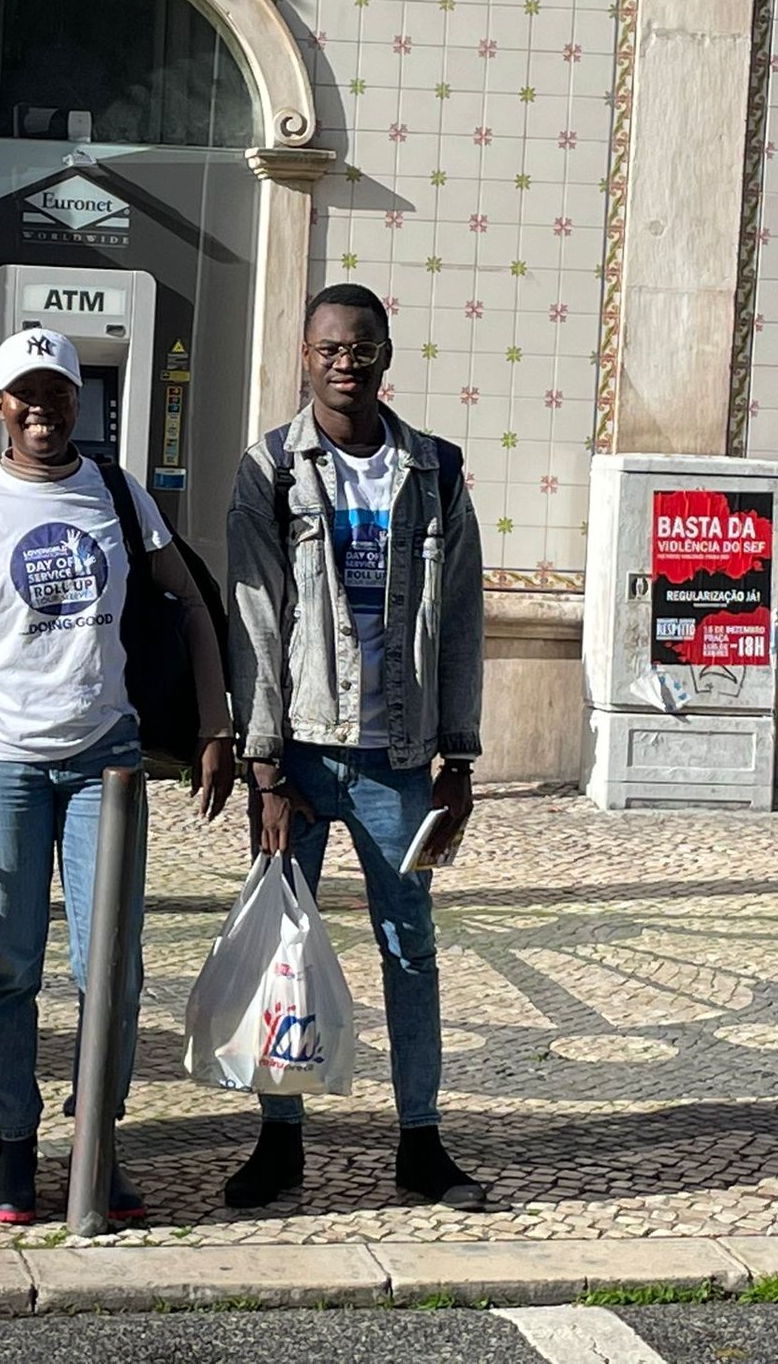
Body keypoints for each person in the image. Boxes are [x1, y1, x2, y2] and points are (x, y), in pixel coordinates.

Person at [0, 327, 235, 1225]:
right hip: (1, 760)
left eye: (57, 391)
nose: (42, 409)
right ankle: (13, 1146)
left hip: (108, 763)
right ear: (1, 406)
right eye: (26, 394)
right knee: (11, 964)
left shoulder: (119, 493)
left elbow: (193, 606)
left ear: (77, 399)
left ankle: (99, 1138)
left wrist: (214, 725)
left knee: (112, 967)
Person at [223, 282, 488, 1212]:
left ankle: (421, 1139)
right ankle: (279, 1139)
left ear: (385, 356)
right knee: (280, 946)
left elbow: (462, 619)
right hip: (299, 750)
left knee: (409, 948)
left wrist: (459, 758)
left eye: (362, 347)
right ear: (306, 357)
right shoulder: (270, 470)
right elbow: (256, 620)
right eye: (331, 348)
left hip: (399, 758)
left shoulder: (434, 470)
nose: (347, 363)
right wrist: (264, 767)